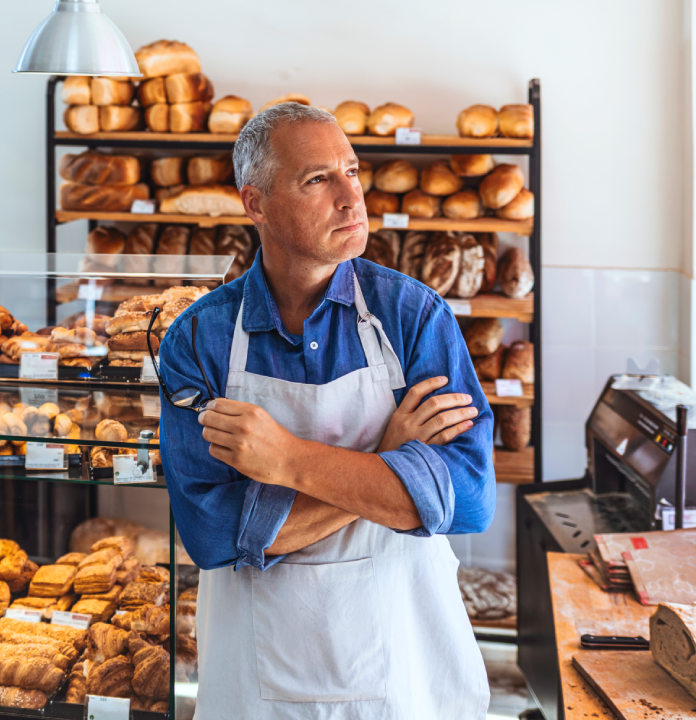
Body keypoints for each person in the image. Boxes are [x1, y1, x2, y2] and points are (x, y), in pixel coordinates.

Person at [157, 102, 496, 718]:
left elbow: (465, 501)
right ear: (254, 203)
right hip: (256, 683)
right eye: (318, 179)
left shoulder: (413, 317)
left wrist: (286, 461)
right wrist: (391, 465)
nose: (351, 197)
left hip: (404, 672)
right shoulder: (198, 339)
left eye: (352, 171)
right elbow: (214, 536)